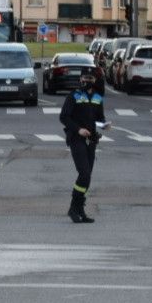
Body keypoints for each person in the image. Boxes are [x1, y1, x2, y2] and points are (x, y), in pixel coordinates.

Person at [59, 67, 106, 224]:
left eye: (90, 78)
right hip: (76, 139)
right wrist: (79, 130)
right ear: (80, 80)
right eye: (84, 78)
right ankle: (73, 208)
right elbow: (64, 117)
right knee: (84, 173)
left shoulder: (98, 98)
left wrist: (104, 125)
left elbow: (99, 118)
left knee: (87, 177)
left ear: (95, 81)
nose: (87, 81)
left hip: (91, 141)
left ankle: (80, 208)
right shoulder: (74, 96)